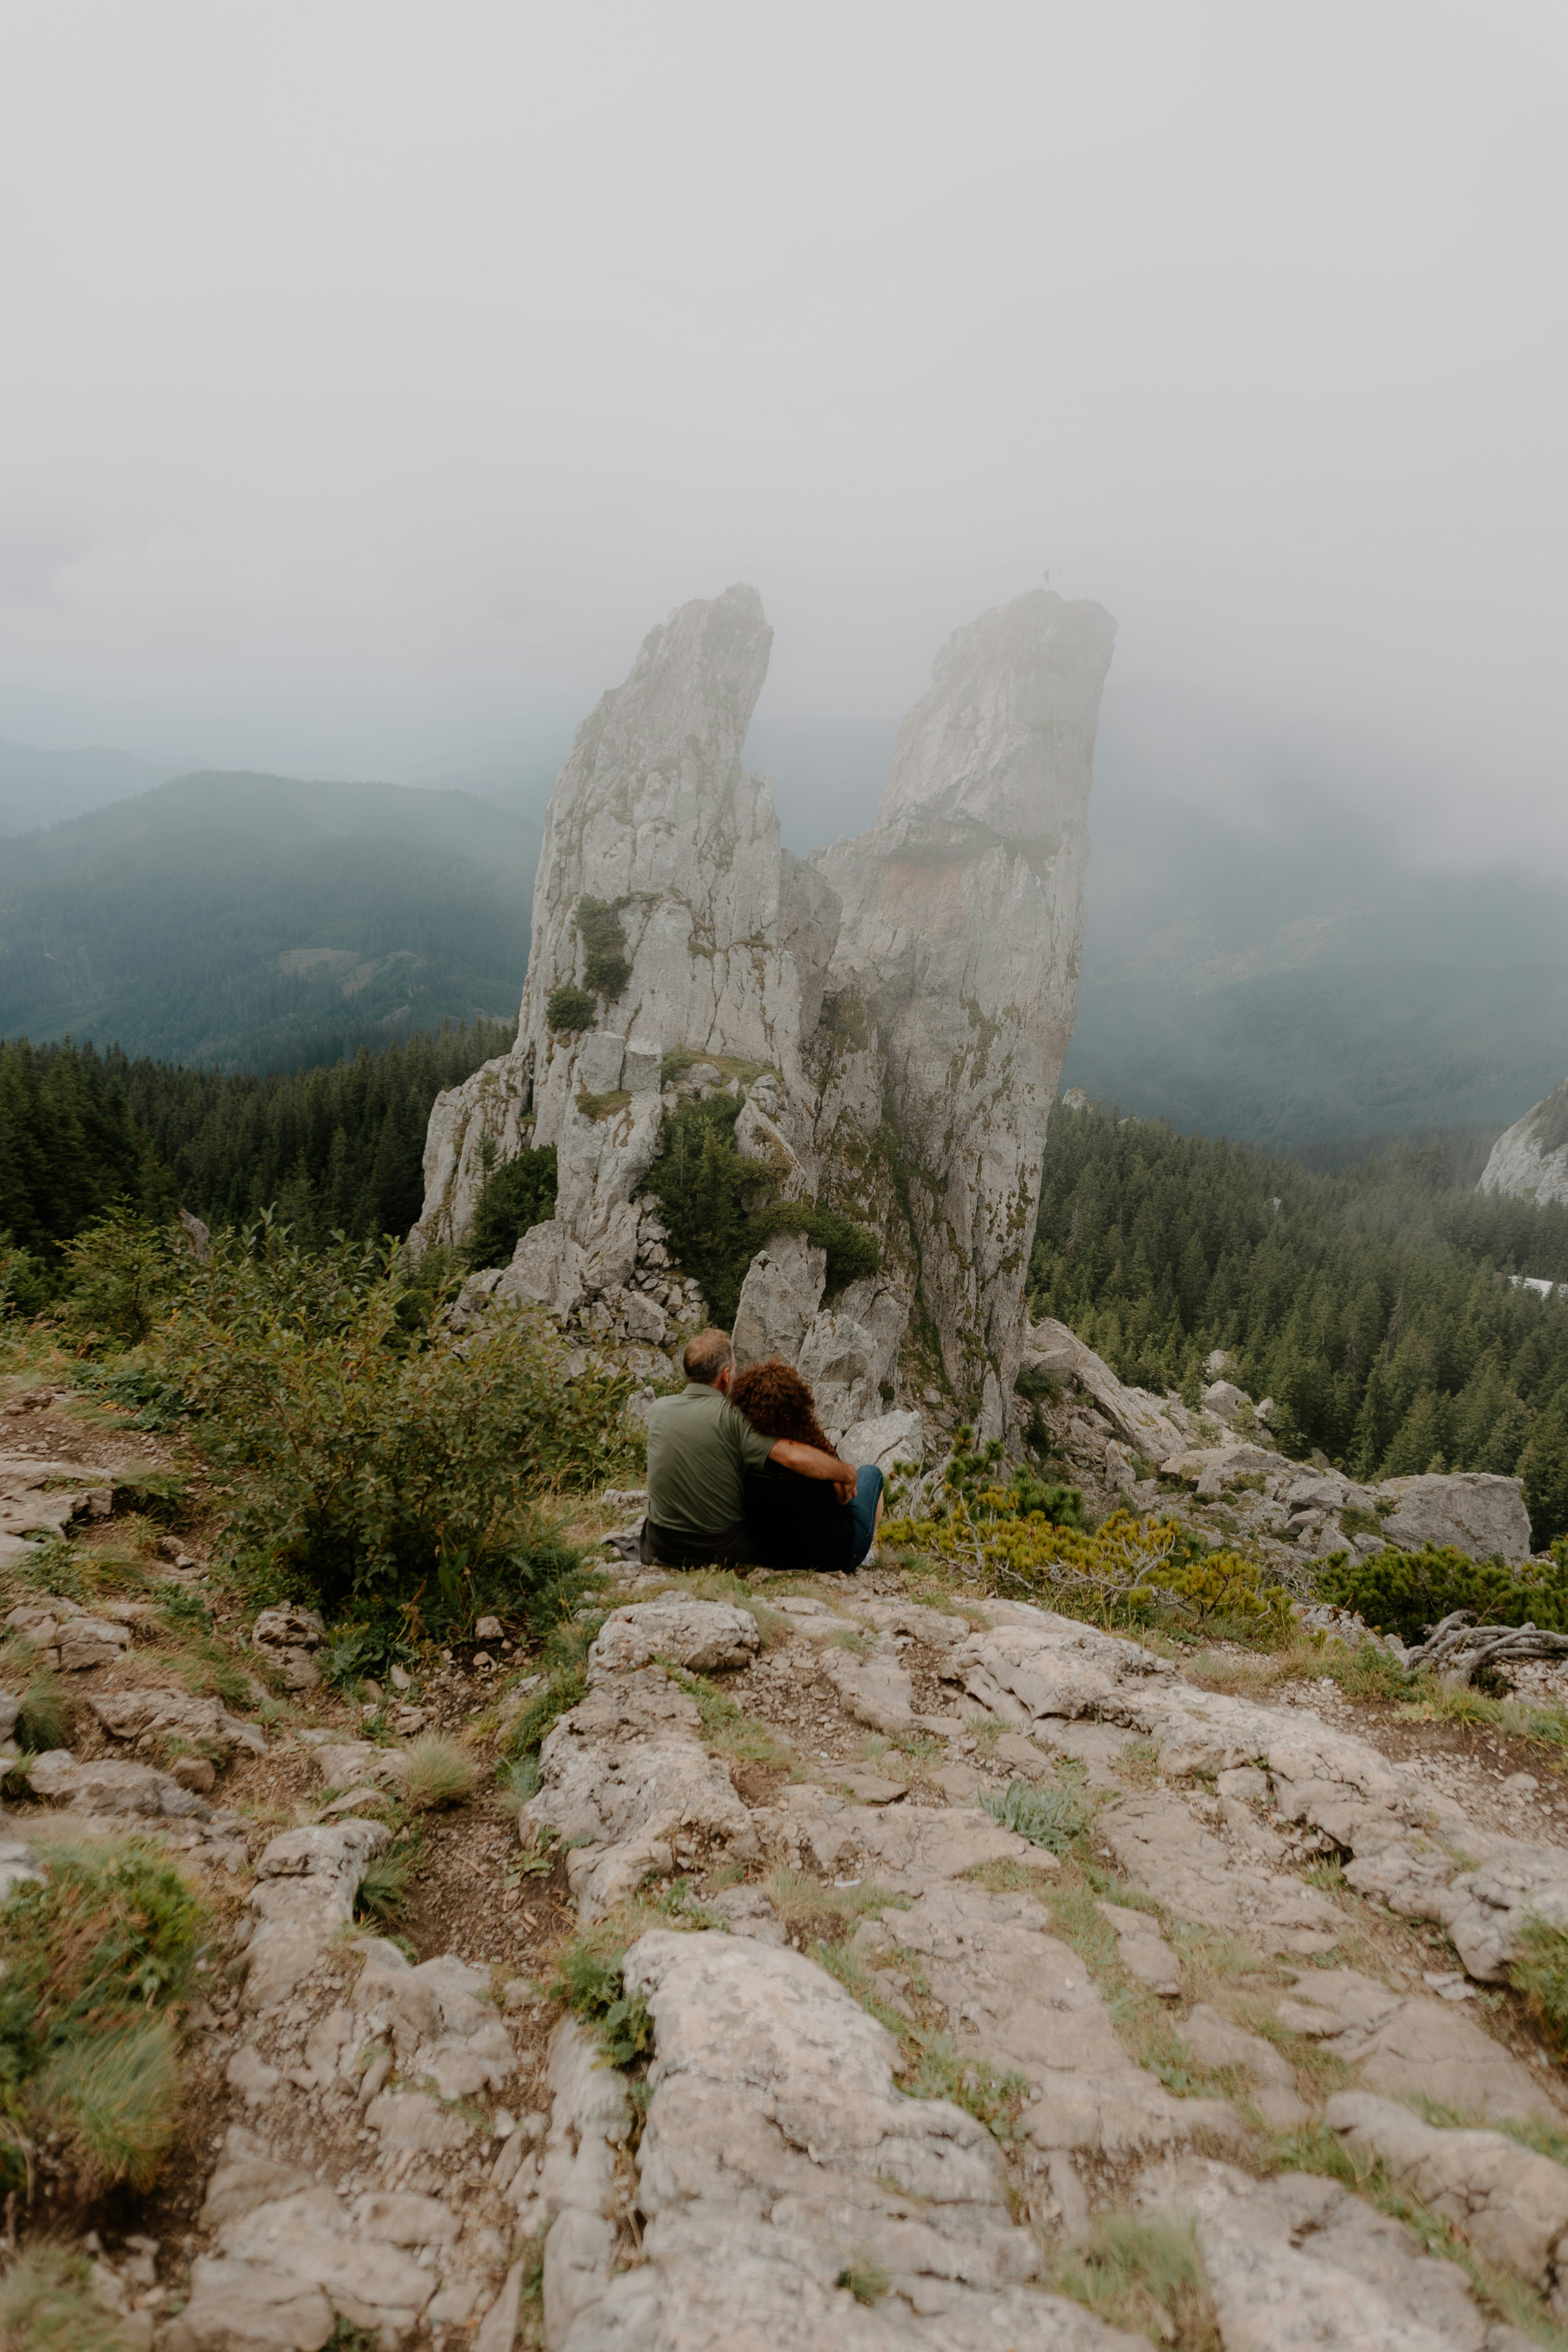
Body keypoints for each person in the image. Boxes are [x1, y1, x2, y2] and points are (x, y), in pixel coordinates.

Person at [640, 1328, 858, 1568]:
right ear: (725, 1376)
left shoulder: (658, 1409)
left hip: (660, 1544)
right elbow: (793, 1457)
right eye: (734, 1368)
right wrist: (846, 1473)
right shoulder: (733, 1417)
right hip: (718, 1550)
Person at [728, 1355, 885, 1572]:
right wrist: (845, 1473)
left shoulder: (746, 1454)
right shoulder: (813, 1454)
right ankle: (866, 1553)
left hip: (772, 1555)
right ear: (799, 1406)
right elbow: (843, 1496)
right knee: (871, 1473)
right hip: (833, 1558)